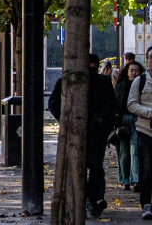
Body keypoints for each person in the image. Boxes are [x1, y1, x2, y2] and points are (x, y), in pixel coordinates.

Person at [51, 53, 117, 219]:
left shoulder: (102, 82)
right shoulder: (66, 81)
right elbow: (53, 103)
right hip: (78, 133)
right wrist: (66, 121)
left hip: (96, 134)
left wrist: (101, 123)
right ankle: (86, 199)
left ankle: (91, 199)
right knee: (82, 167)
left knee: (95, 168)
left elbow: (112, 106)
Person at [130, 47, 152, 219]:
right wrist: (149, 113)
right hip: (145, 130)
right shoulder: (140, 81)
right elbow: (131, 104)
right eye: (151, 57)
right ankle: (146, 204)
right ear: (147, 60)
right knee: (146, 169)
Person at [116, 60, 144, 190]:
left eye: (136, 71)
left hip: (138, 119)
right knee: (124, 152)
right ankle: (124, 179)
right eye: (131, 70)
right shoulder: (121, 85)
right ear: (127, 72)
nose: (134, 73)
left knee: (135, 150)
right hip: (123, 120)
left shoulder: (142, 85)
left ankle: (135, 179)